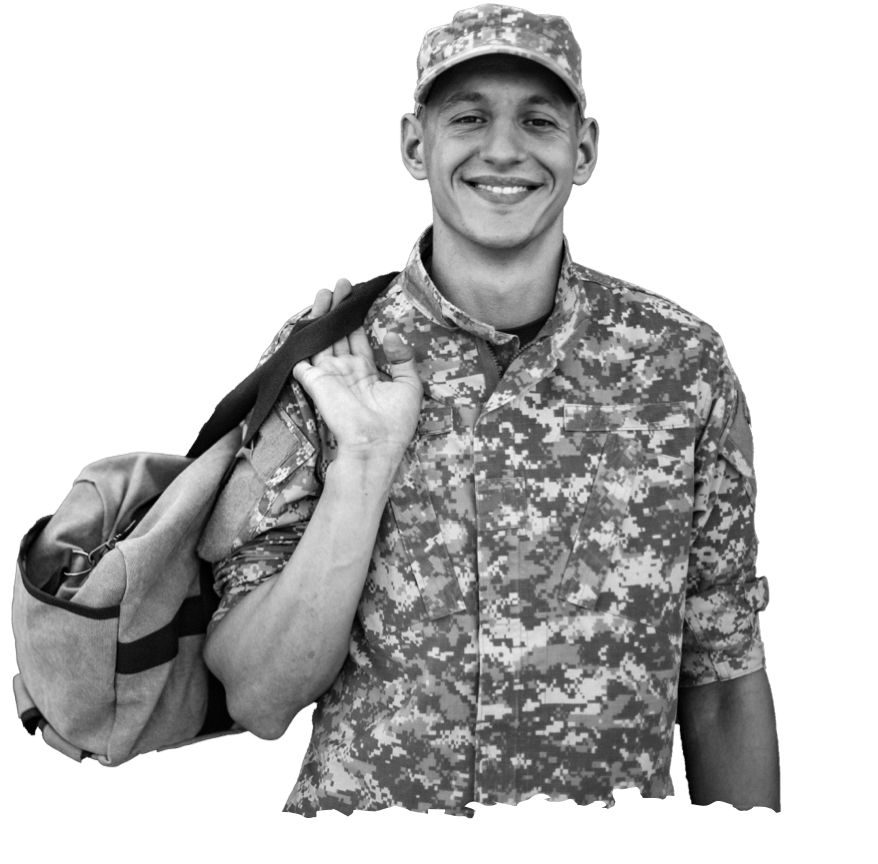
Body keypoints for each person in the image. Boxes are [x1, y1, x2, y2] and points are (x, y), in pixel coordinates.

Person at [200, 4, 780, 817]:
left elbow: (722, 677)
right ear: (414, 144)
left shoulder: (681, 363)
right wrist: (361, 468)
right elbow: (257, 698)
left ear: (582, 151)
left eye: (538, 120)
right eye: (468, 117)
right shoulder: (326, 358)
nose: (503, 149)